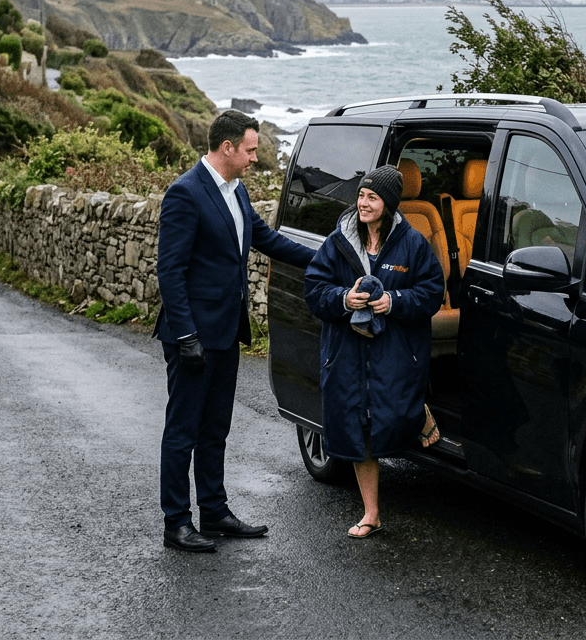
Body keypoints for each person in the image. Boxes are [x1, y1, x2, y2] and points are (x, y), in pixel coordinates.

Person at [154, 110, 316, 553]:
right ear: (226, 148)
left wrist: (325, 259)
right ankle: (176, 522)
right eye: (249, 150)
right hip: (192, 336)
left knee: (215, 428)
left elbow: (267, 239)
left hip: (226, 332)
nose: (254, 159)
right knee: (182, 430)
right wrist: (186, 336)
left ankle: (215, 511)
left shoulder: (236, 191)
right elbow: (170, 271)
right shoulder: (185, 193)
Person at [303, 165, 445, 538]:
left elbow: (432, 291)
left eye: (373, 198)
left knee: (397, 410)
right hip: (348, 352)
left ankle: (419, 414)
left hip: (394, 351)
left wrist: (394, 301)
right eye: (362, 195)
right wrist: (344, 298)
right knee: (359, 430)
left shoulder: (412, 243)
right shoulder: (338, 241)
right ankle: (371, 513)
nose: (363, 203)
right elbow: (315, 289)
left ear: (390, 205)